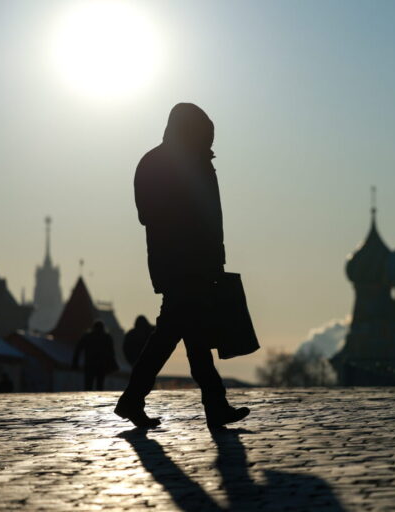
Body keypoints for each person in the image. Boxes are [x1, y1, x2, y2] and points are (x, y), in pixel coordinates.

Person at [114, 103, 250, 429]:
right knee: (177, 335)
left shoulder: (188, 160)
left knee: (190, 336)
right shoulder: (162, 163)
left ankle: (208, 404)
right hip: (181, 264)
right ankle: (140, 399)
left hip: (193, 263)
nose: (208, 144)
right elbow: (152, 214)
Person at [72, 320, 119, 391]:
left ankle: (87, 399)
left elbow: (78, 350)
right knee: (99, 386)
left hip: (90, 365)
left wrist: (75, 363)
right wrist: (112, 364)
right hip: (101, 365)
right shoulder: (106, 337)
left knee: (88, 386)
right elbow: (111, 353)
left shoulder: (87, 336)